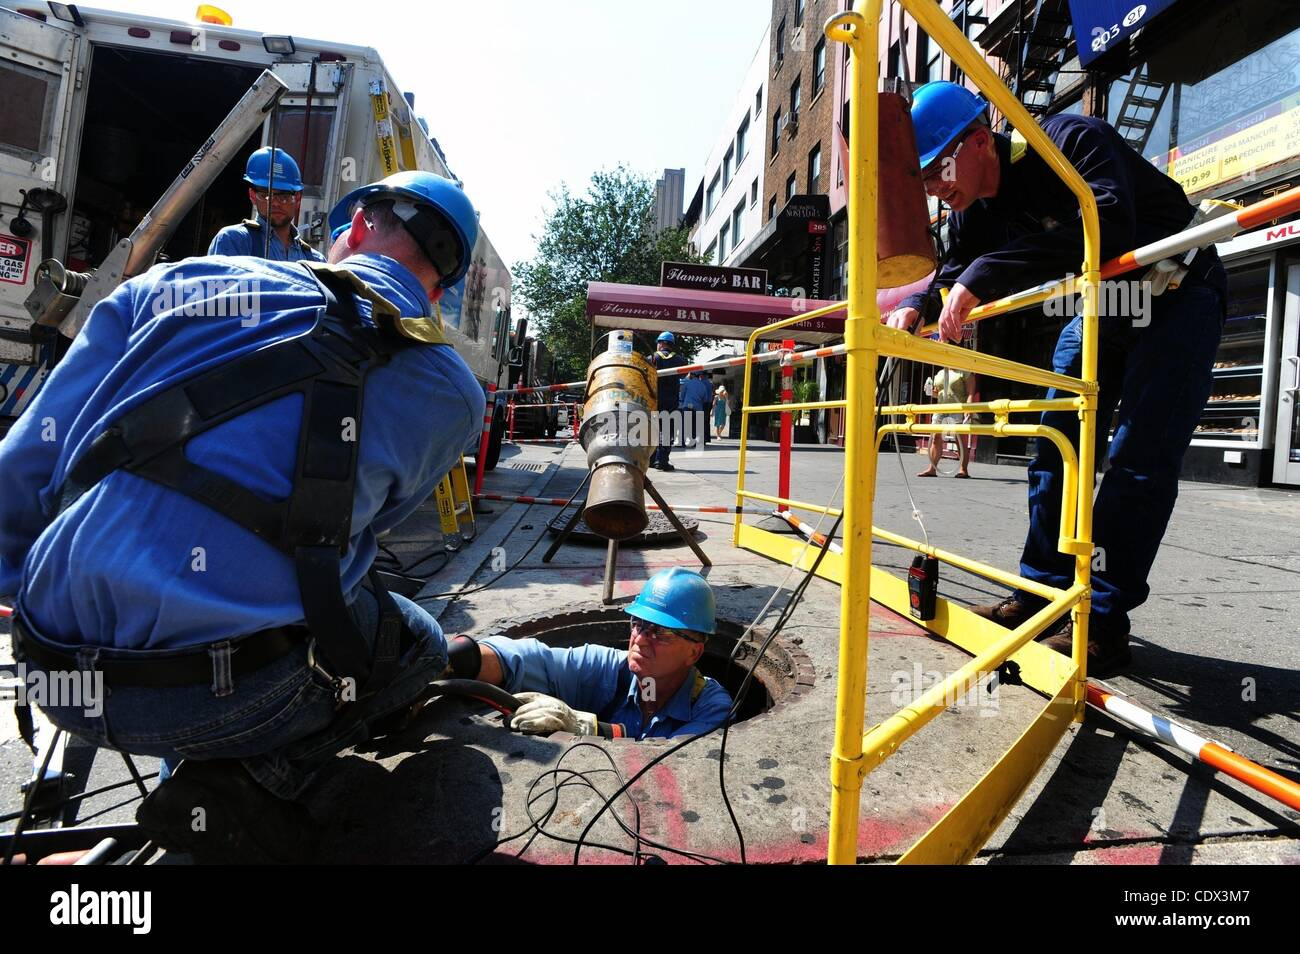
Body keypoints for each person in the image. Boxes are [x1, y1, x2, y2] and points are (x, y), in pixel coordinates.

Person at [0, 170, 485, 861]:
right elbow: (367, 526)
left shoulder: (176, 286)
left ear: (351, 230)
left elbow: (25, 461)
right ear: (439, 289)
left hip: (52, 668)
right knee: (417, 643)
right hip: (224, 697)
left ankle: (191, 798)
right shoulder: (453, 395)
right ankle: (240, 790)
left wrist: (27, 591)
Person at [887, 81, 1226, 676]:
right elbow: (957, 268)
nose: (937, 187)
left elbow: (1109, 227)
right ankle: (1040, 593)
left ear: (978, 141)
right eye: (924, 180)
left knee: (1138, 457)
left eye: (938, 167)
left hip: (1179, 289)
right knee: (1056, 440)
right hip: (1104, 304)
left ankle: (1101, 619)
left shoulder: (1068, 140)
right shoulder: (974, 211)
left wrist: (986, 273)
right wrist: (920, 300)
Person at [472, 568, 732, 740]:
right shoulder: (612, 669)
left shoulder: (710, 707)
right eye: (638, 624)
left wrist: (590, 728)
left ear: (694, 652)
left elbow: (672, 766)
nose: (640, 639)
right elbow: (535, 660)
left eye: (661, 632)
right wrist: (465, 658)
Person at [207, 147, 324, 262]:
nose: (275, 203)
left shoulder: (315, 260)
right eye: (266, 196)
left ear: (298, 198)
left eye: (284, 197)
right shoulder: (234, 241)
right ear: (253, 196)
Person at [918, 367, 977, 478]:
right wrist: (930, 391)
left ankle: (963, 470)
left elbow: (970, 393)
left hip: (957, 408)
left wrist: (968, 408)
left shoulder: (965, 372)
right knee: (936, 437)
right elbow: (938, 393)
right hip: (941, 408)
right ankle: (932, 468)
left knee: (960, 439)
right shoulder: (940, 373)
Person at [651, 331, 687, 470]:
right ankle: (662, 461)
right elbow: (684, 374)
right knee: (667, 432)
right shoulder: (680, 360)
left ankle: (651, 459)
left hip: (654, 401)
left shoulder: (652, 358)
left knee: (653, 431)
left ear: (660, 343)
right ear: (671, 345)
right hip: (671, 401)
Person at [679, 370, 714, 448]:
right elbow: (705, 398)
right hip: (698, 407)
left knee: (684, 425)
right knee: (695, 426)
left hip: (687, 406)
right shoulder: (702, 385)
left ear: (692, 375)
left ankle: (681, 442)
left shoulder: (687, 383)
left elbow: (682, 394)